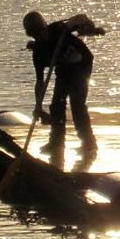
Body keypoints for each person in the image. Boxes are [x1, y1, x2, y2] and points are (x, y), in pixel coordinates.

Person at [22, 10, 105, 159]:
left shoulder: (58, 29)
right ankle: (56, 142)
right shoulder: (39, 53)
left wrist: (72, 26)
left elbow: (82, 17)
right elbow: (40, 82)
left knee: (77, 104)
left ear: (45, 27)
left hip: (81, 64)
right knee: (56, 105)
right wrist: (38, 105)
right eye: (35, 34)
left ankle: (88, 143)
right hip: (64, 69)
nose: (40, 36)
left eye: (41, 31)